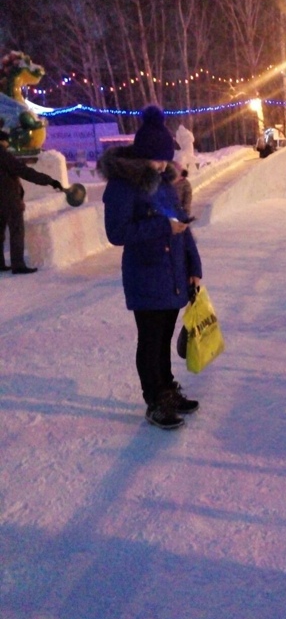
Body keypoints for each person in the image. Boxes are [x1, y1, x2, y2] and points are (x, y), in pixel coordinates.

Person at [98, 105, 203, 430]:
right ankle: (155, 400)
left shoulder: (164, 182)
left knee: (164, 337)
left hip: (172, 273)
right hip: (146, 275)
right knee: (150, 339)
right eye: (157, 158)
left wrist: (194, 266)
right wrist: (162, 228)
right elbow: (117, 233)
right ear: (142, 154)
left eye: (165, 158)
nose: (162, 164)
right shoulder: (122, 186)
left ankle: (167, 389)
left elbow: (182, 225)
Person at [0, 125, 63, 274]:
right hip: (8, 200)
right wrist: (49, 181)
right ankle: (18, 265)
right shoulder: (3, 155)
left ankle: (0, 263)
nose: (8, 145)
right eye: (6, 142)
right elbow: (24, 171)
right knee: (16, 231)